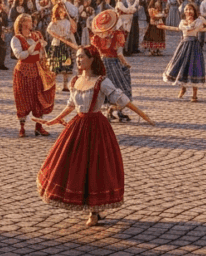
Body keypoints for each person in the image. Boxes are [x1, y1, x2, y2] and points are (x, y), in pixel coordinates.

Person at [36, 45, 154, 226]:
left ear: (92, 59)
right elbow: (70, 105)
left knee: (96, 167)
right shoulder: (75, 80)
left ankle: (95, 211)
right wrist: (54, 120)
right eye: (77, 57)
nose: (78, 60)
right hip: (78, 126)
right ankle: (88, 206)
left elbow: (121, 99)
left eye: (82, 56)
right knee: (75, 166)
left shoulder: (101, 81)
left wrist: (142, 114)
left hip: (97, 128)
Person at [11, 13, 57, 137]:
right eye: (28, 22)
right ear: (22, 24)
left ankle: (39, 127)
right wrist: (32, 48)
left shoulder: (36, 35)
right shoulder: (16, 39)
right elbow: (20, 55)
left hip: (37, 70)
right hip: (23, 71)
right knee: (23, 98)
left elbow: (42, 53)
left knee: (38, 97)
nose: (30, 24)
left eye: (31, 21)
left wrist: (42, 50)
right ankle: (22, 127)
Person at [89, 9, 133, 122]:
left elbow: (96, 53)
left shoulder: (97, 37)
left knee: (106, 88)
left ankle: (109, 110)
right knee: (120, 86)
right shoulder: (118, 35)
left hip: (103, 63)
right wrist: (127, 64)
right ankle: (117, 111)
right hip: (114, 63)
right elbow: (119, 54)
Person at [160, 3, 206, 102]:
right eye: (186, 9)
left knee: (194, 67)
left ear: (194, 11)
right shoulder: (183, 21)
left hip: (194, 45)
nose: (188, 11)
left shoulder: (198, 20)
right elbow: (177, 29)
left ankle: (194, 94)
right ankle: (182, 88)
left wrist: (200, 29)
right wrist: (164, 27)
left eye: (190, 9)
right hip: (184, 45)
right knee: (182, 66)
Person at [47, 2, 79, 91]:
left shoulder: (67, 22)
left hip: (65, 45)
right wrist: (57, 35)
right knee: (55, 65)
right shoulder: (54, 22)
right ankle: (52, 84)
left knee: (66, 65)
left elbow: (70, 34)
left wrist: (75, 44)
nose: (62, 13)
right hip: (57, 44)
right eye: (60, 11)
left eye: (63, 11)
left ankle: (65, 85)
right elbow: (49, 30)